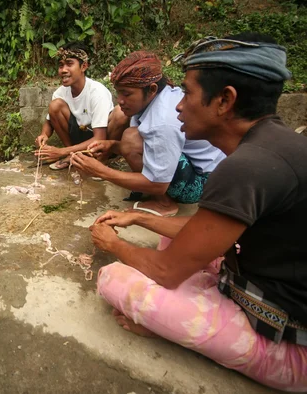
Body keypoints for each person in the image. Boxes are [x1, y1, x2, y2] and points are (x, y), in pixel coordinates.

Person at [90, 33, 307, 391]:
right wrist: (140, 218)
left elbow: (168, 272)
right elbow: (208, 230)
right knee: (164, 235)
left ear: (224, 100)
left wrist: (113, 244)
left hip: (294, 344)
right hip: (269, 279)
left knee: (114, 279)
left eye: (187, 93)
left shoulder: (245, 167)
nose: (179, 105)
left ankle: (181, 330)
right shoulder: (273, 145)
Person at [71, 51, 226, 217]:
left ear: (151, 89)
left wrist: (100, 171)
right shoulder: (154, 99)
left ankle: (164, 204)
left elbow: (158, 184)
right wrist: (111, 145)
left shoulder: (162, 121)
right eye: (119, 92)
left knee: (131, 139)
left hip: (204, 182)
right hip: (193, 163)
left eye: (127, 94)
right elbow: (147, 143)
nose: (120, 100)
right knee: (126, 128)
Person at [35, 41, 113, 170]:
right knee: (55, 106)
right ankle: (73, 155)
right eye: (61, 65)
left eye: (69, 64)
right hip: (79, 136)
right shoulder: (60, 92)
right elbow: (49, 122)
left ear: (84, 67)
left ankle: (98, 158)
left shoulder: (97, 92)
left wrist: (61, 151)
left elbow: (100, 138)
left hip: (99, 140)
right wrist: (43, 135)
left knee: (119, 115)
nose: (63, 70)